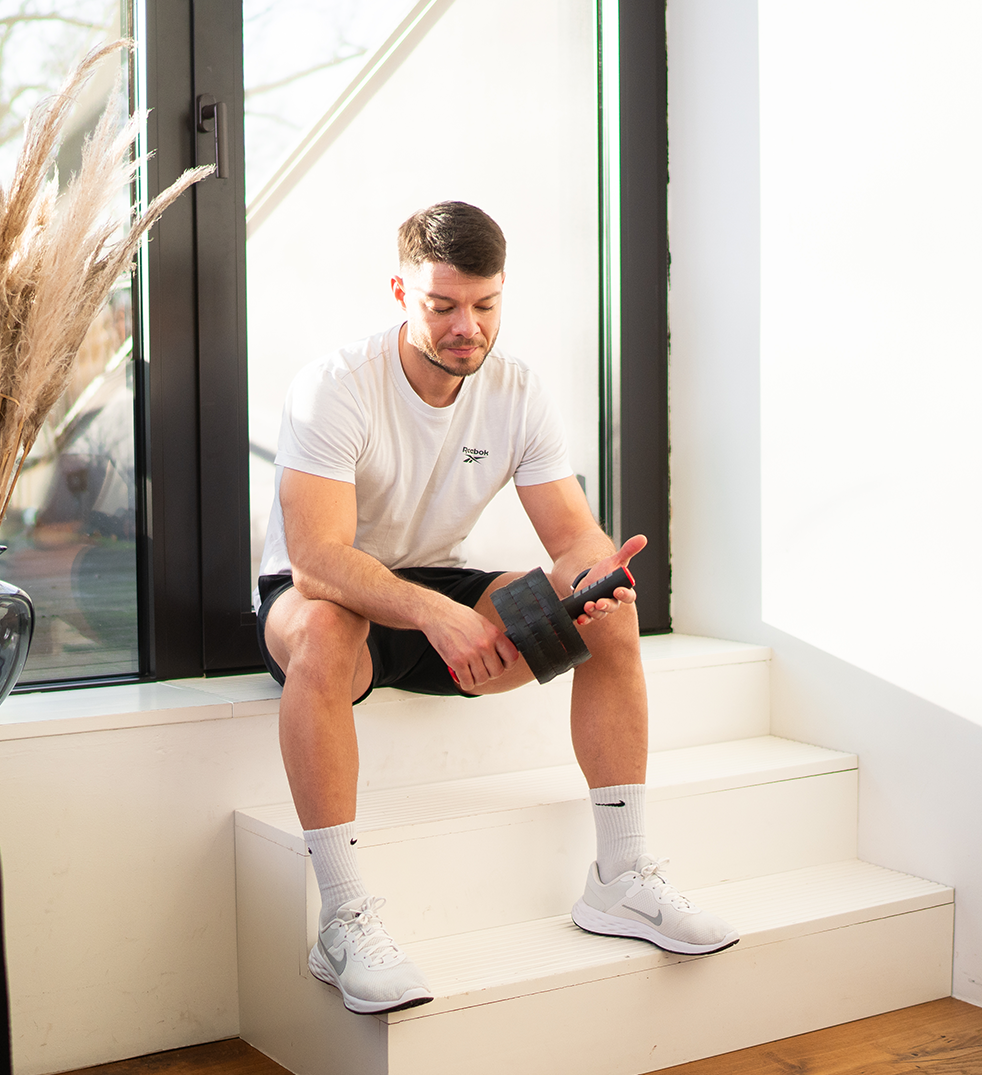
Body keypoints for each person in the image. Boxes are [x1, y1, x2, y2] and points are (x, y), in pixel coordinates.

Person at [255, 201, 739, 1017]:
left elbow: (572, 534)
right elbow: (318, 562)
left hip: (444, 590)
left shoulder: (516, 390)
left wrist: (595, 576)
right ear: (402, 294)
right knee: (330, 622)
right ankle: (343, 922)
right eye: (443, 306)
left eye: (484, 306)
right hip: (326, 603)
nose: (465, 328)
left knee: (609, 611)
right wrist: (438, 619)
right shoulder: (335, 387)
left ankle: (619, 878)